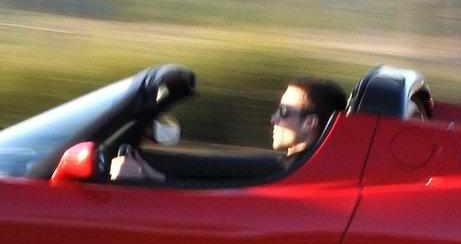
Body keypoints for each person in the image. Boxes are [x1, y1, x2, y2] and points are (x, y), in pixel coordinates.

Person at [109, 75, 347, 181]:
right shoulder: (292, 166)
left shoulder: (297, 175)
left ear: (310, 123)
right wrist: (152, 177)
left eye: (283, 111)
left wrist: (147, 181)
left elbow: (218, 202)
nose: (274, 118)